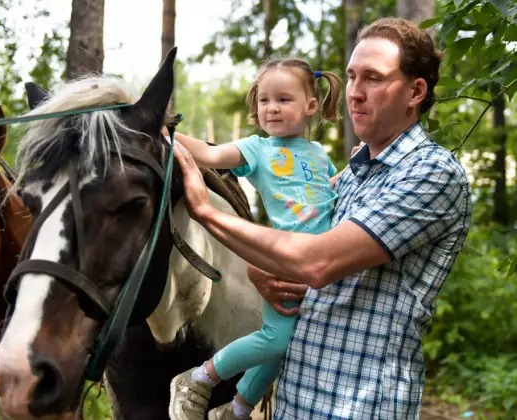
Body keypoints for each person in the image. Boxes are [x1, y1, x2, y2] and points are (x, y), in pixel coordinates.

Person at [172, 17, 471, 419]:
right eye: (352, 77)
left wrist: (206, 211)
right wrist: (264, 269)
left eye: (373, 78)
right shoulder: (352, 174)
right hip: (297, 400)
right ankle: (239, 405)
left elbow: (317, 262)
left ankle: (208, 383)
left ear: (415, 91)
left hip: (360, 406)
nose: (355, 93)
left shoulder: (430, 173)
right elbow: (301, 241)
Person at [168, 58, 342, 420]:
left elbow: (328, 192)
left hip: (320, 265)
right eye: (265, 100)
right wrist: (164, 132)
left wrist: (355, 170)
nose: (272, 108)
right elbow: (209, 154)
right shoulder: (257, 149)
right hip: (283, 259)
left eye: (284, 99)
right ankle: (198, 378)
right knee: (277, 338)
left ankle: (237, 408)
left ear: (311, 105)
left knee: (288, 345)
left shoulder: (318, 153)